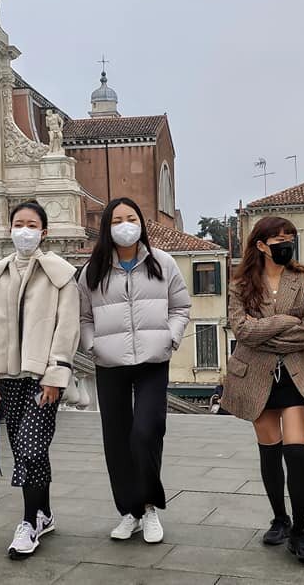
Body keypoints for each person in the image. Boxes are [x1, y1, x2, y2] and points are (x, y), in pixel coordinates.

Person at [78, 197, 191, 545]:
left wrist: (170, 338)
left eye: (131, 218)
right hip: (109, 362)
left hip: (152, 362)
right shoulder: (91, 271)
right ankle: (129, 511)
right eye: (117, 220)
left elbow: (181, 306)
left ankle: (149, 506)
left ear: (140, 222)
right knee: (116, 440)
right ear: (107, 228)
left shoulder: (163, 263)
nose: (125, 225)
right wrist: (92, 345)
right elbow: (83, 316)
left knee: (146, 432)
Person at [0, 202, 80, 560]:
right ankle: (45, 514)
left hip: (41, 378)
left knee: (31, 448)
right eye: (19, 224)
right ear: (10, 229)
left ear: (44, 232)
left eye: (32, 224)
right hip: (7, 378)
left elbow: (67, 329)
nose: (25, 230)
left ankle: (28, 523)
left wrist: (56, 375)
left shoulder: (60, 274)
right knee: (25, 451)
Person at [221, 216, 304, 564]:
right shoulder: (240, 285)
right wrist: (284, 322)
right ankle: (279, 519)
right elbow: (242, 331)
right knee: (270, 451)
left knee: (296, 451)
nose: (285, 243)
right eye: (278, 238)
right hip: (256, 376)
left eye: (290, 237)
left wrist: (264, 330)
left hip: (297, 374)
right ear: (261, 245)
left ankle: (300, 530)